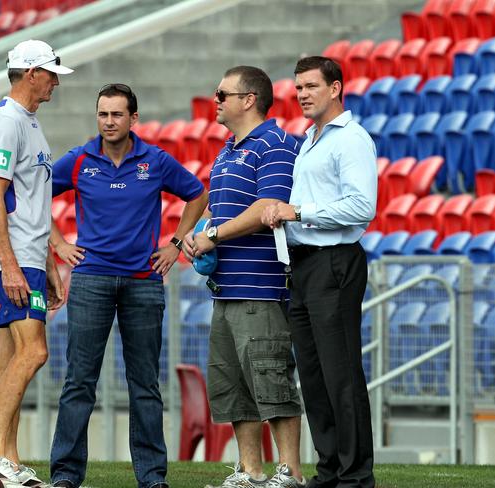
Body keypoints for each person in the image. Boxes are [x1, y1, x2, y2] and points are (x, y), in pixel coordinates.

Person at [48, 83, 208, 488]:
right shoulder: (79, 159)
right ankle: (66, 475)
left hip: (143, 284)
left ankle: (152, 477)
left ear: (133, 118)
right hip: (91, 281)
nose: (109, 121)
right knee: (79, 381)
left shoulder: (154, 160)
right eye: (103, 114)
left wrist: (175, 244)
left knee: (144, 384)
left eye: (117, 114)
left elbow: (198, 194)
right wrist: (58, 243)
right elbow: (32, 193)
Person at [183, 65, 305, 488]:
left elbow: (266, 207)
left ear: (249, 99)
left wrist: (212, 235)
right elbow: (222, 209)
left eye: (222, 94)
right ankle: (251, 471)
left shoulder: (274, 143)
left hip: (262, 287)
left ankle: (289, 471)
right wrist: (198, 237)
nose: (215, 101)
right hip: (227, 289)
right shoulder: (227, 149)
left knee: (271, 380)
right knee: (233, 386)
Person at [262, 56, 377, 488]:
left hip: (335, 261)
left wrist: (298, 212)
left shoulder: (351, 140)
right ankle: (329, 470)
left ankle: (356, 476)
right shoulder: (309, 139)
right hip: (304, 266)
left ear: (335, 88)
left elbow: (362, 206)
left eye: (311, 86)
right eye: (298, 88)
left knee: (340, 374)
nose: (303, 94)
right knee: (313, 376)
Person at [0, 39, 72, 488]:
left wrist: (44, 258)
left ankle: (6, 458)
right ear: (31, 73)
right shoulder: (7, 122)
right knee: (35, 351)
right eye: (50, 73)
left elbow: (29, 201)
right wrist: (10, 265)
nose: (54, 82)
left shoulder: (26, 123)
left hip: (27, 255)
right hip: (12, 258)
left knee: (12, 355)